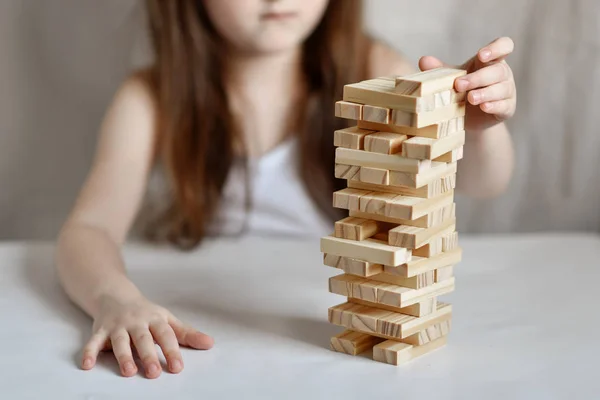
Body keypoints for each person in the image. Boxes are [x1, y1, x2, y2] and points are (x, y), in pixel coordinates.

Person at [55, 0, 517, 379]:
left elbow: (484, 183)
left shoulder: (372, 68)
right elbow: (89, 228)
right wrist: (115, 297)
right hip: (214, 316)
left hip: (325, 319)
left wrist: (475, 125)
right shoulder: (149, 97)